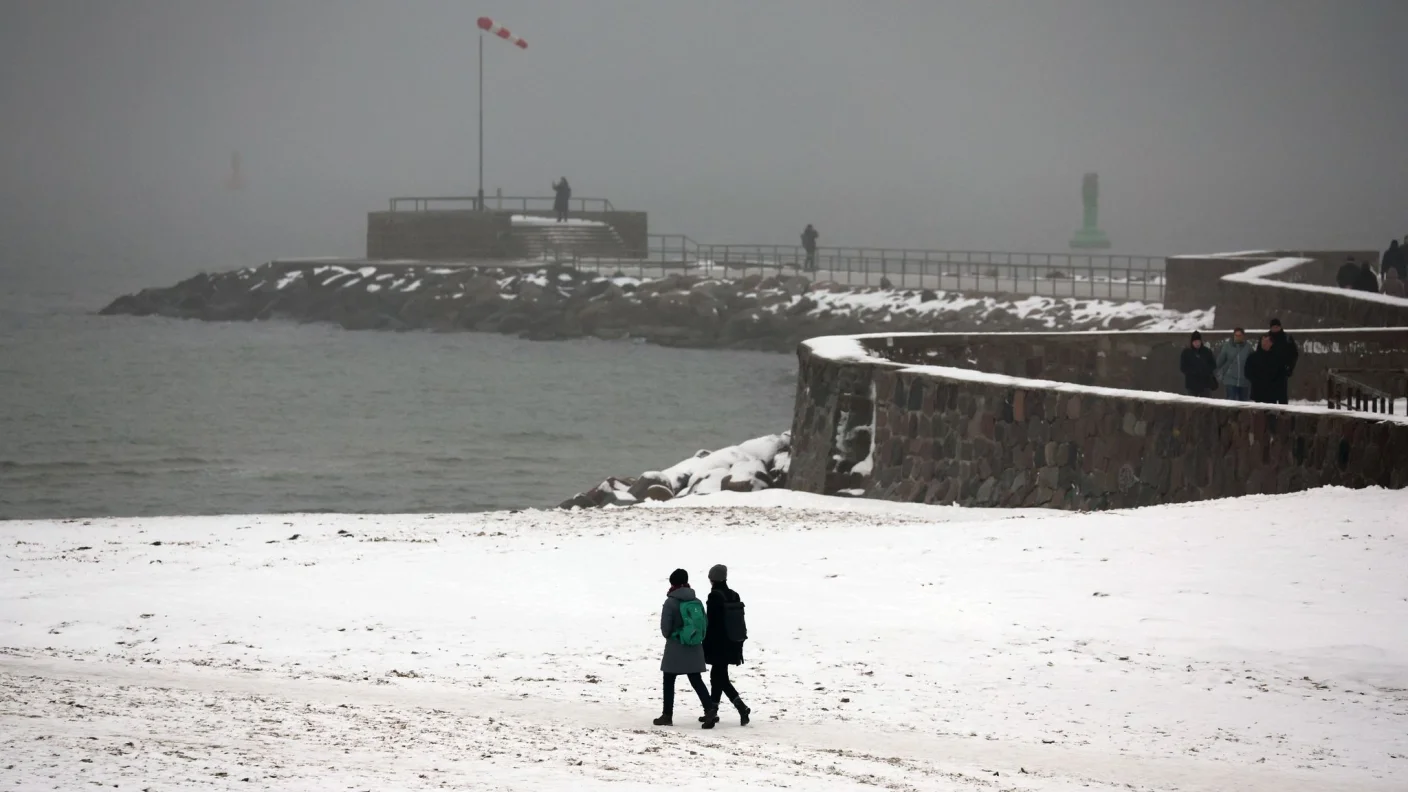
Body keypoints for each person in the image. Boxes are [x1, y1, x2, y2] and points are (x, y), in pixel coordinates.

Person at [654, 568, 715, 728]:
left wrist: (675, 634)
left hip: (675, 647)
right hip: (694, 646)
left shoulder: (670, 602)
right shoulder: (696, 601)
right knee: (696, 679)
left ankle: (667, 715)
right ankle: (710, 710)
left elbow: (665, 630)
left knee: (669, 679)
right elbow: (704, 624)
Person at [701, 564, 750, 728]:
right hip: (734, 642)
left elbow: (712, 624)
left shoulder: (714, 596)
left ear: (712, 579)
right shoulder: (734, 595)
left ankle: (740, 707)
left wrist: (705, 645)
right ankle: (713, 709)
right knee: (719, 676)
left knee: (719, 677)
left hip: (718, 644)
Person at [1244, 334, 1288, 404]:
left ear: (1271, 343)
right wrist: (1256, 381)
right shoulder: (1253, 357)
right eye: (1263, 341)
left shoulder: (1277, 358)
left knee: (1271, 412)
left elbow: (1282, 376)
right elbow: (1247, 372)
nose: (1265, 343)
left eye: (1267, 341)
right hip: (1258, 392)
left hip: (1272, 393)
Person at [1215, 327, 1254, 401]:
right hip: (1230, 380)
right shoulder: (1227, 346)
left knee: (1244, 403)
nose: (1238, 337)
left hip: (1244, 381)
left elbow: (1253, 362)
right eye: (1236, 335)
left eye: (1240, 336)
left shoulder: (1248, 347)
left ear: (1243, 336)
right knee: (1231, 402)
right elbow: (1220, 361)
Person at [1179, 331, 1218, 398]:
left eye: (1198, 341)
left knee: (1206, 403)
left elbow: (1213, 365)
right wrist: (1193, 371)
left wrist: (1206, 371)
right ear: (1192, 342)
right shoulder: (1186, 352)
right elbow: (1183, 367)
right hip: (1192, 384)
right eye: (1195, 342)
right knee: (1192, 404)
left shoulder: (1207, 351)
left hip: (1205, 384)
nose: (1197, 343)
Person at [1268, 317, 1298, 401]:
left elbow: (1294, 354)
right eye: (1273, 327)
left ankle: (1283, 413)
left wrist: (1289, 368)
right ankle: (1271, 413)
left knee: (1282, 396)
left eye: (1277, 327)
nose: (1275, 329)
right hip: (1269, 372)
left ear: (1280, 327)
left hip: (1282, 371)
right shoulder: (1266, 338)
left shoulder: (1287, 338)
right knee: (1270, 397)